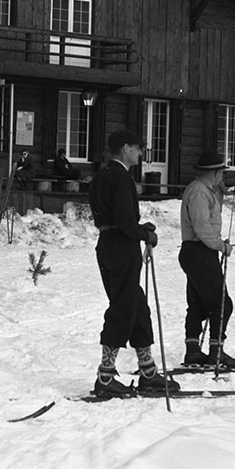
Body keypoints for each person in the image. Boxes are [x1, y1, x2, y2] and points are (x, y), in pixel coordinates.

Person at [87, 128, 178, 398]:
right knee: (123, 308)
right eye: (138, 148)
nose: (141, 153)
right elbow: (126, 223)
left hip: (107, 245)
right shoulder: (122, 178)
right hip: (121, 246)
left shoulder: (100, 177)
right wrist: (145, 234)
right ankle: (105, 376)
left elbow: (115, 218)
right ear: (126, 148)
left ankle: (148, 371)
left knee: (137, 306)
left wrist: (140, 229)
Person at [178, 150, 235, 369]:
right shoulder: (199, 192)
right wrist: (221, 246)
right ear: (213, 172)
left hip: (200, 251)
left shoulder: (206, 189)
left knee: (197, 305)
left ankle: (193, 352)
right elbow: (201, 227)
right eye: (220, 172)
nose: (222, 176)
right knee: (222, 303)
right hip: (199, 252)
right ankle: (216, 352)